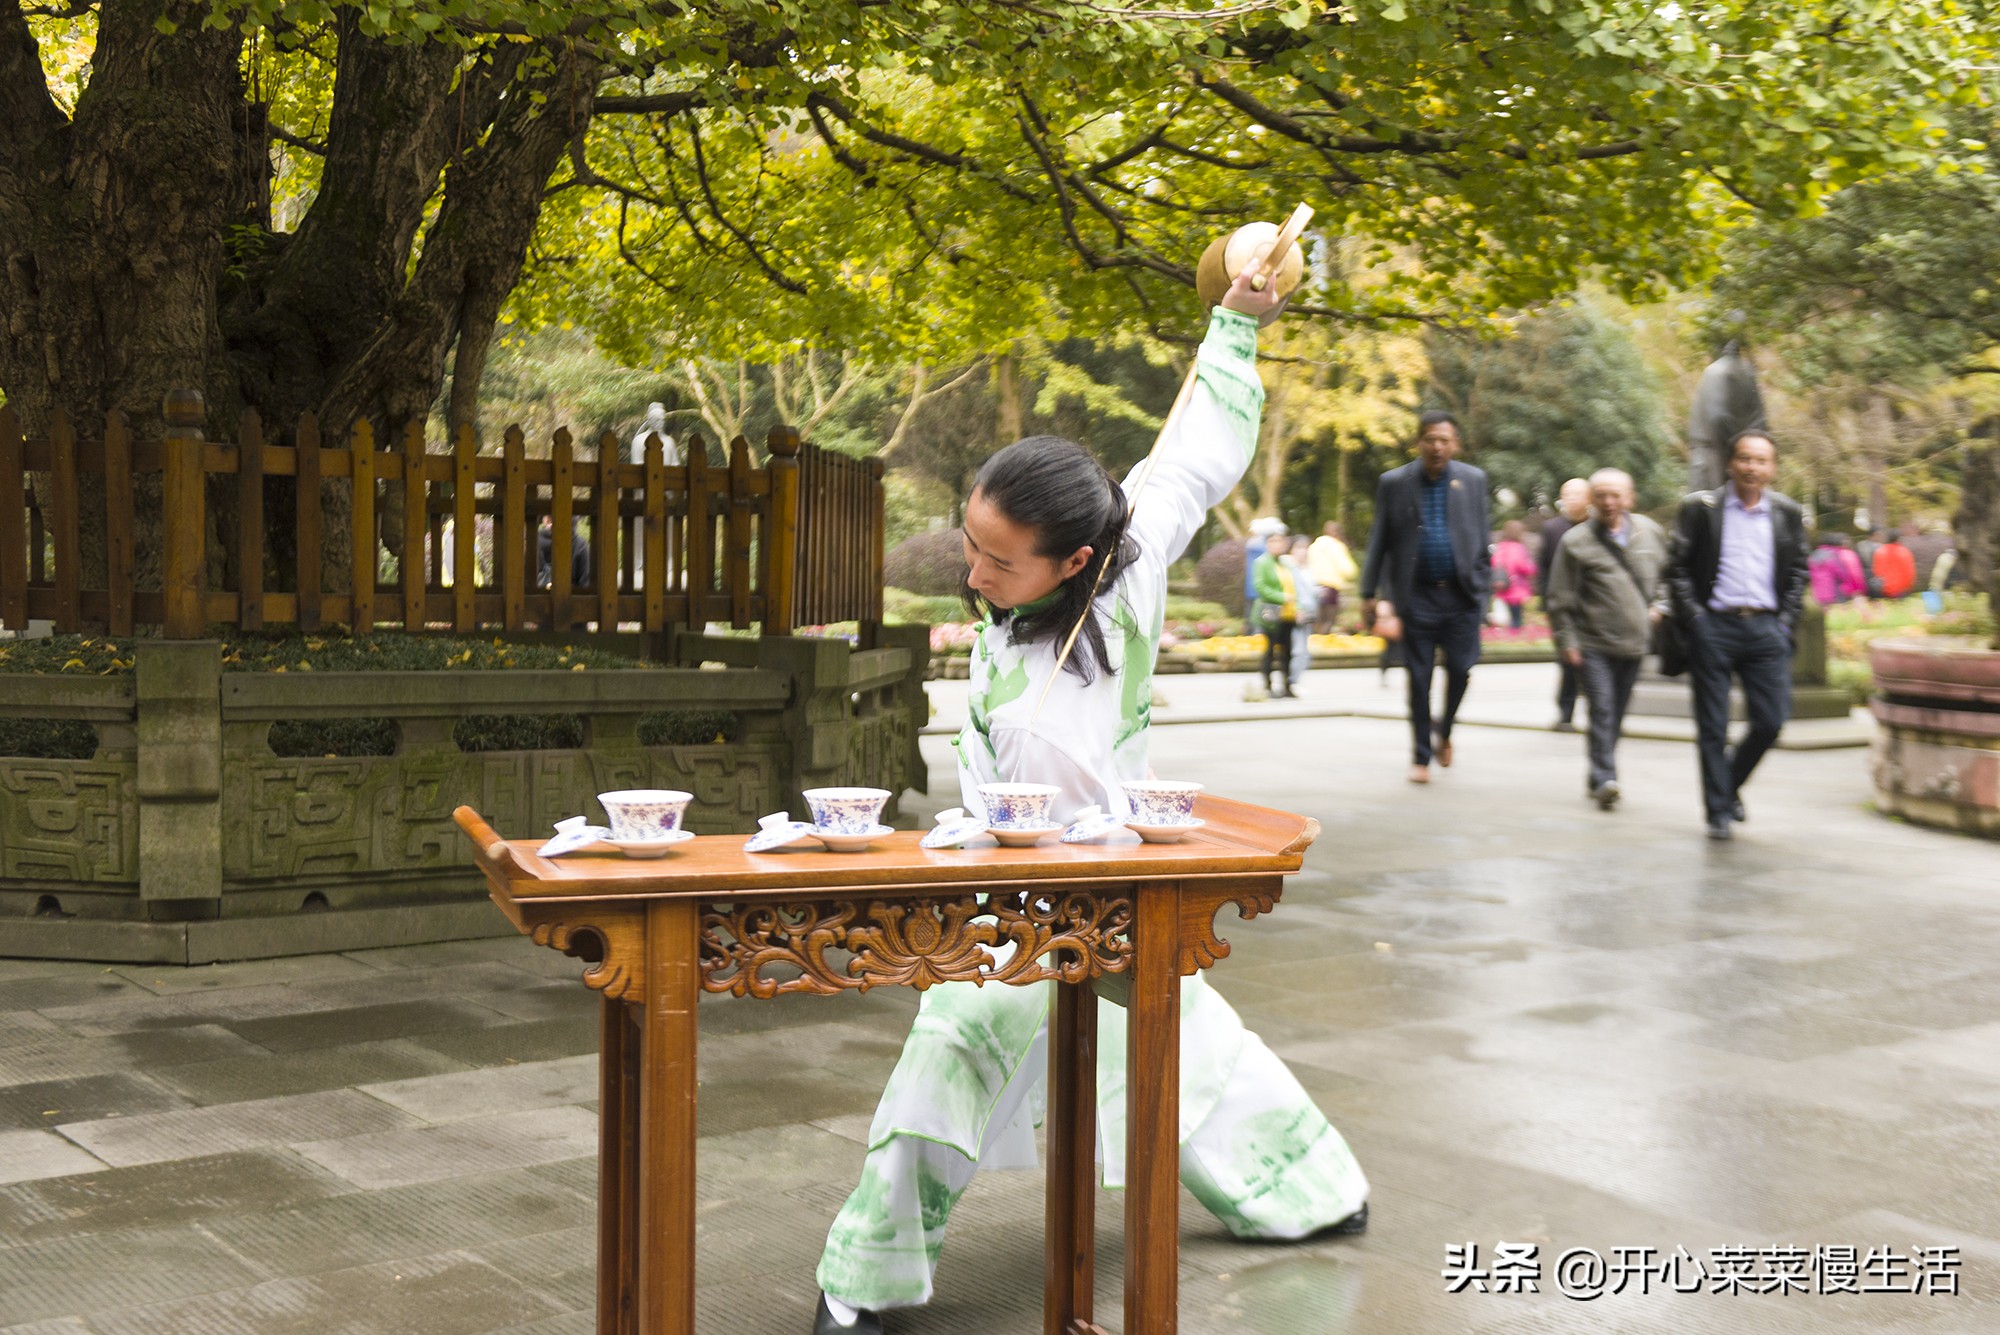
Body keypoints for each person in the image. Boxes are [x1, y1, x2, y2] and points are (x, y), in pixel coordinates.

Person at [813, 272, 1369, 1335]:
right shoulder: (1005, 595)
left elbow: (1190, 449)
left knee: (960, 1046)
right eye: (967, 543)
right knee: (1178, 1040)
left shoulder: (1130, 569)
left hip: (1096, 879)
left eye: (996, 560)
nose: (972, 573)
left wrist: (1236, 321)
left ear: (1074, 559)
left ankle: (865, 1280)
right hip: (1002, 876)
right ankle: (1314, 1192)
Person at [1662, 429, 1810, 841]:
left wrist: (1784, 623)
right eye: (1745, 458)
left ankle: (1727, 787)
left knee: (1770, 722)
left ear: (1773, 468)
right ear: (1730, 463)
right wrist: (1695, 619)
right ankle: (1717, 812)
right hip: (1714, 626)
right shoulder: (1701, 509)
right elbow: (1676, 568)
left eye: (1761, 460)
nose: (1752, 467)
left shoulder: (1786, 512)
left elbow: (1799, 570)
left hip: (1766, 628)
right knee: (1713, 724)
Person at [1359, 411, 1493, 785]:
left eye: (1445, 440)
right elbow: (1379, 540)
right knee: (1418, 679)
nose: (1437, 446)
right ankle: (1420, 755)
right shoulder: (1395, 482)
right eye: (1430, 439)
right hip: (1416, 598)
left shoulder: (1473, 480)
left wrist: (1483, 588)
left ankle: (1444, 730)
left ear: (1456, 444)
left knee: (1462, 671)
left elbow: (1482, 538)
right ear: (1418, 442)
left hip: (1462, 597)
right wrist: (1370, 592)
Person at [1546, 469, 1669, 811]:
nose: (1609, 502)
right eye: (1601, 495)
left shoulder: (1651, 533)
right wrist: (1567, 641)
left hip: (1634, 643)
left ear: (1630, 497)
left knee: (1615, 713)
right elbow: (1559, 598)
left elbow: (1669, 577)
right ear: (1591, 500)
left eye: (1616, 495)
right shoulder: (1576, 541)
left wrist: (1660, 605)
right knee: (1601, 707)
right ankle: (1605, 777)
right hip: (1592, 642)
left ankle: (1598, 770)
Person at [1538, 479, 1590, 730]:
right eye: (1567, 494)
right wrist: (1547, 605)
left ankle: (1597, 713)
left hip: (1593, 606)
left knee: (1593, 661)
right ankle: (1565, 712)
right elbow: (1544, 568)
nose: (1572, 498)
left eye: (1578, 494)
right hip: (1563, 607)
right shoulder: (1552, 528)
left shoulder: (1597, 526)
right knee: (1567, 660)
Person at [1251, 531, 1299, 698]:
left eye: (1280, 542)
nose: (1277, 545)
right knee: (1270, 649)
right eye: (1273, 542)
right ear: (1267, 544)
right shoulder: (1262, 563)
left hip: (1288, 612)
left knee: (1288, 650)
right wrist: (1281, 597)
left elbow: (1294, 586)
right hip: (1270, 609)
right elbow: (1260, 586)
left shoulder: (1286, 563)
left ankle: (1287, 685)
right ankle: (1268, 685)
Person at [1307, 521, 1358, 633]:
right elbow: (1348, 569)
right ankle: (1321, 646)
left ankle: (1312, 644)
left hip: (1314, 586)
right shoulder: (1337, 546)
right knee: (1328, 620)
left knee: (1316, 620)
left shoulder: (1313, 546)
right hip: (1330, 586)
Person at [1241, 516, 1287, 633]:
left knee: (1251, 622)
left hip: (1251, 590)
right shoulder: (1264, 548)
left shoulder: (1252, 543)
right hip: (1265, 593)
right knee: (1265, 626)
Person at [1287, 535, 1320, 695]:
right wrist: (1296, 609)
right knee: (1298, 651)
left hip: (1309, 614)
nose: (1302, 551)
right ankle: (1292, 681)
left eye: (1304, 548)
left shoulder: (1308, 569)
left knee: (1305, 652)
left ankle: (1295, 681)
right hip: (1295, 614)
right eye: (1298, 548)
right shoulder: (1289, 569)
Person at [1489, 519, 1537, 630]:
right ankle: (1515, 632)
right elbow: (1522, 565)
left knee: (1508, 612)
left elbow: (1494, 563)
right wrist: (1532, 569)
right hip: (1516, 586)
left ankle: (1510, 631)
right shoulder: (1518, 548)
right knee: (1516, 616)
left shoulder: (1500, 547)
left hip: (1503, 585)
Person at [1808, 533, 1867, 606]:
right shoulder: (1833, 554)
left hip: (1817, 594)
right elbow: (1841, 573)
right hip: (1833, 592)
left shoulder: (1813, 554)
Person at [1872, 529, 1916, 599]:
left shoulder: (1879, 551)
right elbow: (1910, 573)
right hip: (1901, 591)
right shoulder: (1905, 552)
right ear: (1899, 539)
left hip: (1883, 591)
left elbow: (1876, 572)